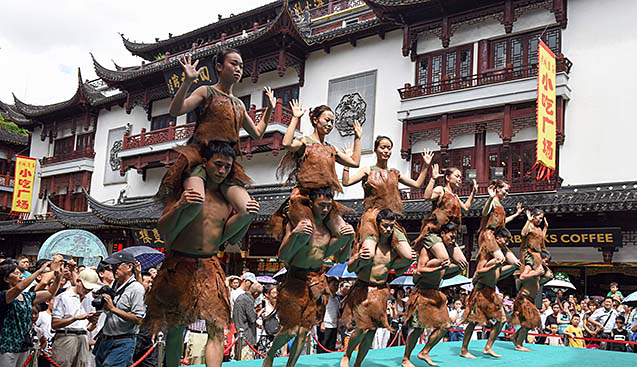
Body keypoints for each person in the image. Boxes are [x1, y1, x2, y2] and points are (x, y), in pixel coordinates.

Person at [145, 141, 258, 367]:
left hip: (209, 264)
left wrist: (245, 217)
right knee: (176, 328)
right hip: (179, 263)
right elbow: (163, 229)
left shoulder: (225, 199)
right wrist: (181, 205)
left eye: (227, 167)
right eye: (217, 164)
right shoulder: (186, 189)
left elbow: (229, 238)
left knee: (217, 328)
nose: (221, 170)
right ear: (205, 163)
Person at [158, 49, 274, 249]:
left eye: (241, 66)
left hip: (227, 161)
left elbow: (257, 134)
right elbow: (176, 110)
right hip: (202, 157)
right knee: (195, 200)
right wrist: (187, 82)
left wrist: (270, 109)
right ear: (219, 67)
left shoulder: (239, 104)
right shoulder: (206, 91)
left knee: (248, 210)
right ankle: (172, 239)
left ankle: (215, 244)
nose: (238, 69)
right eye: (233, 64)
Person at [263, 187, 355, 367]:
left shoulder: (329, 230)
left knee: (304, 331)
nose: (325, 210)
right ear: (311, 203)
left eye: (328, 206)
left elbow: (340, 258)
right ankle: (271, 353)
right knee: (291, 330)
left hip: (316, 280)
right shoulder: (300, 224)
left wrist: (348, 239)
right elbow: (283, 255)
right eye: (321, 205)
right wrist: (295, 234)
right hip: (294, 278)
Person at [270, 101, 362, 241]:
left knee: (345, 234)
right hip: (304, 198)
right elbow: (287, 143)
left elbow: (355, 162)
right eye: (327, 120)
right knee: (306, 232)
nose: (330, 124)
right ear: (315, 120)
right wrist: (295, 117)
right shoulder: (305, 141)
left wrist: (357, 138)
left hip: (325, 199)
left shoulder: (331, 148)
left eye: (332, 122)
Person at [340, 209, 411, 367]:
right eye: (385, 226)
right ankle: (347, 354)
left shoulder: (392, 249)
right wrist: (358, 257)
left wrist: (408, 262)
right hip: (363, 288)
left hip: (380, 291)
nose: (388, 229)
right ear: (378, 225)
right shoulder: (369, 244)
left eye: (391, 226)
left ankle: (358, 364)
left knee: (372, 330)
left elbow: (398, 271)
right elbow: (350, 267)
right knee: (361, 328)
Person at [342, 135, 433, 264]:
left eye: (389, 148)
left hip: (389, 219)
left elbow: (417, 184)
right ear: (376, 149)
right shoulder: (368, 171)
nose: (386, 151)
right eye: (383, 147)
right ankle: (355, 265)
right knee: (368, 254)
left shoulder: (395, 173)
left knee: (409, 256)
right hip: (371, 218)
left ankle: (386, 269)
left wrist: (425, 166)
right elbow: (346, 182)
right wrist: (347, 162)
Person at [402, 222, 460, 367]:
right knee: (418, 328)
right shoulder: (426, 250)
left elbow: (444, 275)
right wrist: (439, 267)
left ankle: (425, 352)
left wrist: (457, 268)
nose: (453, 240)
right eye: (451, 236)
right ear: (442, 234)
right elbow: (419, 269)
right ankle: (406, 358)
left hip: (436, 293)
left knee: (445, 326)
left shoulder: (447, 255)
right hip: (422, 293)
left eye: (455, 237)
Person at [0, 255, 63, 367]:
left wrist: (58, 278)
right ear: (6, 279)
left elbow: (50, 293)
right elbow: (19, 287)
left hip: (24, 346)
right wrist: (39, 271)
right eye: (16, 273)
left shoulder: (27, 297)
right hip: (7, 346)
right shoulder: (3, 296)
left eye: (20, 273)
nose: (20, 276)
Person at [460, 228, 518, 359]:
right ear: (497, 239)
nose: (506, 243)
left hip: (491, 291)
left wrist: (510, 266)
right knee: (473, 321)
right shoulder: (486, 252)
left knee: (502, 320)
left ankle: (488, 347)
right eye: (505, 240)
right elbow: (479, 271)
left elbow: (504, 269)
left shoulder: (500, 254)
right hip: (480, 290)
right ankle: (464, 350)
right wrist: (494, 266)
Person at [415, 164, 478, 269]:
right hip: (434, 232)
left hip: (449, 235)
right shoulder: (441, 190)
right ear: (448, 178)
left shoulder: (455, 196)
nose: (459, 179)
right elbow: (426, 196)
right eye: (457, 176)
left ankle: (440, 275)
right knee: (444, 260)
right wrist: (433, 179)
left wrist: (473, 192)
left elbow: (466, 208)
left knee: (462, 264)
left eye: (460, 177)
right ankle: (422, 269)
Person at [94, 251, 146, 367]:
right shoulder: (114, 284)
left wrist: (113, 309)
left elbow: (139, 319)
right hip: (105, 338)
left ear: (129, 267)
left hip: (123, 340)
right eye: (112, 266)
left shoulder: (137, 289)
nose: (113, 269)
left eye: (117, 266)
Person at [50, 269, 102, 367]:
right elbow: (54, 324)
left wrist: (93, 320)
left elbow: (89, 327)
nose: (87, 290)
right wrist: (75, 318)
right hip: (66, 336)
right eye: (85, 287)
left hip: (83, 337)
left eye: (90, 288)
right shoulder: (64, 297)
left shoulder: (89, 298)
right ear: (78, 281)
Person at [511, 250, 553, 352]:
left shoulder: (540, 271)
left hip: (530, 299)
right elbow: (522, 276)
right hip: (523, 298)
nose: (546, 263)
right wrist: (536, 272)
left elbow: (548, 276)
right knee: (528, 323)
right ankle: (519, 344)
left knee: (533, 323)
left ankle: (515, 337)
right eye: (545, 260)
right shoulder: (530, 267)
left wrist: (543, 269)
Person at [478, 180, 524, 267]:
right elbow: (484, 212)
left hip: (498, 236)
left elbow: (503, 221)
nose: (507, 193)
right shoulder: (492, 201)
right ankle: (481, 271)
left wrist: (516, 214)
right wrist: (491, 197)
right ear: (498, 189)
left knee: (516, 264)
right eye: (505, 190)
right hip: (489, 235)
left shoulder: (500, 205)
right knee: (500, 259)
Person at [233, 282, 264, 360]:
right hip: (247, 335)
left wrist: (255, 309)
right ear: (256, 293)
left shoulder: (241, 297)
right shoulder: (248, 300)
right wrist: (261, 311)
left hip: (239, 331)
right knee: (246, 360)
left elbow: (244, 314)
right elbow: (252, 318)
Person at [319, 280, 350, 353]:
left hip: (334, 325)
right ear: (329, 285)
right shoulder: (325, 296)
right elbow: (320, 310)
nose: (335, 286)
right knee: (323, 345)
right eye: (334, 284)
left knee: (331, 347)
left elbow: (338, 311)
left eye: (337, 285)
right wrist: (321, 322)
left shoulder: (337, 298)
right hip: (325, 325)